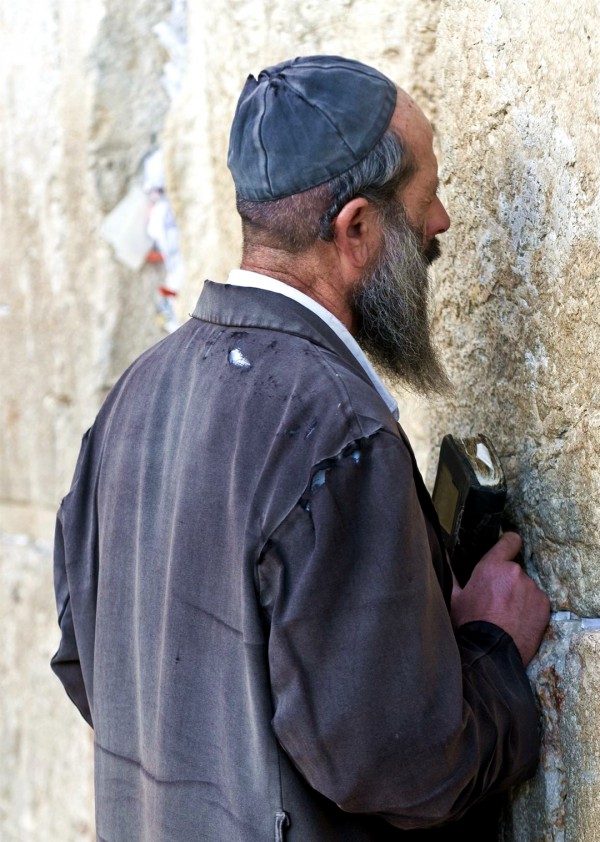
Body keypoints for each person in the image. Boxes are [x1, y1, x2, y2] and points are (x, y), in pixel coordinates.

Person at [52, 55, 550, 841]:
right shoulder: (337, 430)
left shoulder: (136, 394)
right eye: (426, 199)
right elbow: (403, 766)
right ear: (356, 229)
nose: (442, 222)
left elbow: (90, 662)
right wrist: (491, 644)